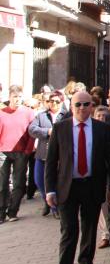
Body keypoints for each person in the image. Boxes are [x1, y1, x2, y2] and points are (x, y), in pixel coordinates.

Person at [45, 91, 110, 264]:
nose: (82, 108)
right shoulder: (60, 128)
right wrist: (50, 189)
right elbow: (51, 161)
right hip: (67, 187)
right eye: (78, 105)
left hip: (92, 185)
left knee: (90, 229)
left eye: (86, 104)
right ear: (71, 106)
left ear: (92, 106)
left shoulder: (103, 128)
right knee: (69, 231)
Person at [0, 84, 36, 223]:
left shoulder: (28, 112)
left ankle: (13, 211)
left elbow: (31, 134)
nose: (17, 99)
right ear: (9, 97)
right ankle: (1, 213)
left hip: (21, 152)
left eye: (20, 97)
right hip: (3, 151)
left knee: (19, 183)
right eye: (15, 97)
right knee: (2, 184)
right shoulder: (2, 113)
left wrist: (28, 150)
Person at [28, 90, 67, 217]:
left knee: (56, 182)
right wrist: (47, 132)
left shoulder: (66, 115)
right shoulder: (41, 115)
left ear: (61, 102)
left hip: (60, 155)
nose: (53, 104)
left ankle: (56, 209)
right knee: (39, 180)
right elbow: (32, 129)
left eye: (56, 101)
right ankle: (47, 201)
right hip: (42, 153)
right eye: (50, 101)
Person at [92, 106, 110, 250]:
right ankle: (106, 234)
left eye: (105, 116)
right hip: (98, 174)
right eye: (99, 116)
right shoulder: (90, 131)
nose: (102, 118)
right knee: (103, 205)